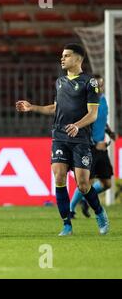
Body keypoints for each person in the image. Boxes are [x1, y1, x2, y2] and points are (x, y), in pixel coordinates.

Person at [16, 43, 110, 236]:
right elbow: (55, 108)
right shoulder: (60, 81)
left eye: (66, 56)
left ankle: (99, 213)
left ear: (77, 59)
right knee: (59, 177)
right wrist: (32, 107)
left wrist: (77, 125)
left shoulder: (89, 82)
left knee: (83, 185)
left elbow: (93, 114)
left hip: (81, 139)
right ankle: (66, 224)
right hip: (59, 137)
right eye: (62, 55)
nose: (62, 58)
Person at [70, 75, 117, 218]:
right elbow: (84, 123)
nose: (100, 88)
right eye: (97, 85)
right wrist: (94, 143)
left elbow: (101, 121)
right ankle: (70, 210)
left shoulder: (103, 100)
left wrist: (109, 131)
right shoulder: (86, 103)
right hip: (89, 147)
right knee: (85, 182)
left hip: (101, 147)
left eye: (101, 85)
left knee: (107, 183)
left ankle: (85, 200)